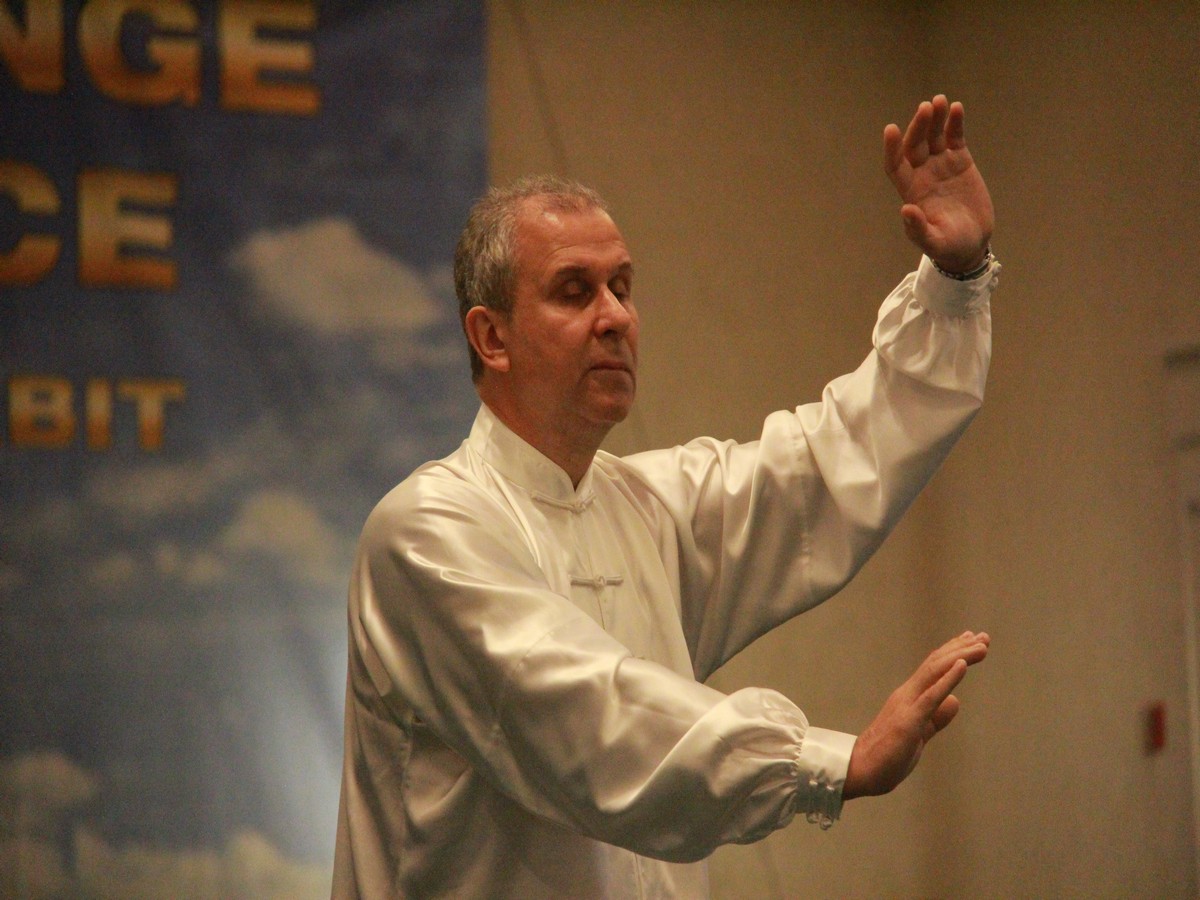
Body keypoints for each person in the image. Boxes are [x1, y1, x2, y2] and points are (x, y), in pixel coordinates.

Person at [332, 94, 999, 899]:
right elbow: (585, 719)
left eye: (622, 286)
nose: (616, 317)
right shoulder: (426, 533)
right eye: (574, 291)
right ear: (491, 337)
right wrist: (827, 764)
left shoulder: (649, 507)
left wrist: (955, 282)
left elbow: (834, 462)